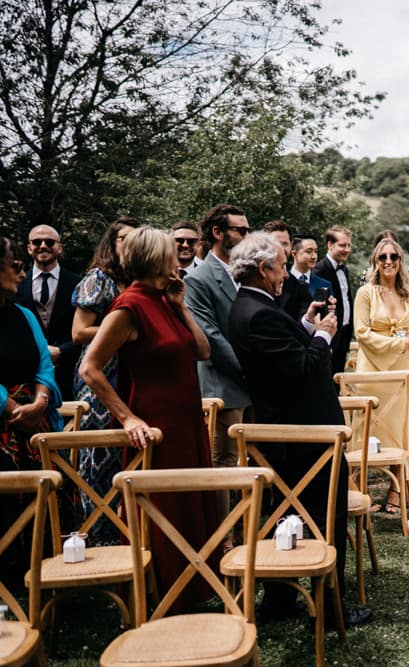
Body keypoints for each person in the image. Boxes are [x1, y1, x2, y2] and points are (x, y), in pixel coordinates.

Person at [227, 232, 372, 627]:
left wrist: (304, 328)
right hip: (307, 435)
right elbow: (304, 369)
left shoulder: (253, 307)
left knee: (285, 515)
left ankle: (278, 599)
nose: (284, 275)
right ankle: (329, 608)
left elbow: (283, 358)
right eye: (279, 266)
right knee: (324, 517)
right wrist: (324, 335)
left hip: (290, 432)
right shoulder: (258, 312)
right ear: (262, 269)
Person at [79, 226, 217, 611]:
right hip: (156, 426)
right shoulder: (130, 305)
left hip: (187, 421)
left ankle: (193, 590)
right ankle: (159, 598)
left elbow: (203, 351)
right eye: (173, 250)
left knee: (190, 504)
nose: (180, 255)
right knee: (162, 511)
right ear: (158, 258)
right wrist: (127, 417)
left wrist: (181, 304)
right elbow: (90, 368)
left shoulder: (165, 298)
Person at [0, 235, 64, 585]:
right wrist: (10, 408)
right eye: (16, 266)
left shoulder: (23, 314)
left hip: (34, 419)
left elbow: (44, 362)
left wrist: (40, 401)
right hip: (7, 423)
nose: (22, 275)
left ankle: (37, 570)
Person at [184, 204, 252, 519]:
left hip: (253, 384)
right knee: (223, 462)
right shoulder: (198, 279)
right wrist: (251, 369)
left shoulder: (248, 273)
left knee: (249, 461)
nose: (247, 236)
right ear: (217, 233)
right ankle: (223, 539)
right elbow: (211, 337)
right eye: (241, 230)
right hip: (222, 386)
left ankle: (246, 531)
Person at [70, 218, 136, 545]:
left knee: (123, 460)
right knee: (96, 462)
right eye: (123, 239)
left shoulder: (135, 281)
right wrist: (125, 333)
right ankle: (95, 538)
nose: (130, 244)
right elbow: (78, 331)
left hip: (128, 377)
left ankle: (124, 536)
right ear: (111, 244)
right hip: (97, 379)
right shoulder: (99, 279)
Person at [353, 237, 409, 513]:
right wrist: (398, 343)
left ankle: (396, 490)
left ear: (401, 261)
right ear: (375, 262)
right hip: (372, 368)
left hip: (401, 369)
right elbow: (361, 332)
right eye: (383, 257)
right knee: (365, 427)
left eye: (394, 257)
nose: (389, 262)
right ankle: (360, 488)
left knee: (399, 427)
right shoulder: (366, 293)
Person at [16, 224, 82, 401]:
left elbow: (88, 328)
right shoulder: (16, 285)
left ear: (59, 247)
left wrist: (62, 351)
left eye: (49, 242)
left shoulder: (79, 283)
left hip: (71, 374)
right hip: (28, 378)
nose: (43, 245)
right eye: (37, 241)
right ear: (29, 248)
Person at [314, 225, 354, 377]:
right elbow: (320, 307)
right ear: (330, 245)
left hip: (343, 335)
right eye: (342, 245)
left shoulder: (344, 269)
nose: (347, 249)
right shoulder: (319, 271)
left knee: (339, 379)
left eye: (349, 245)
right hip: (329, 336)